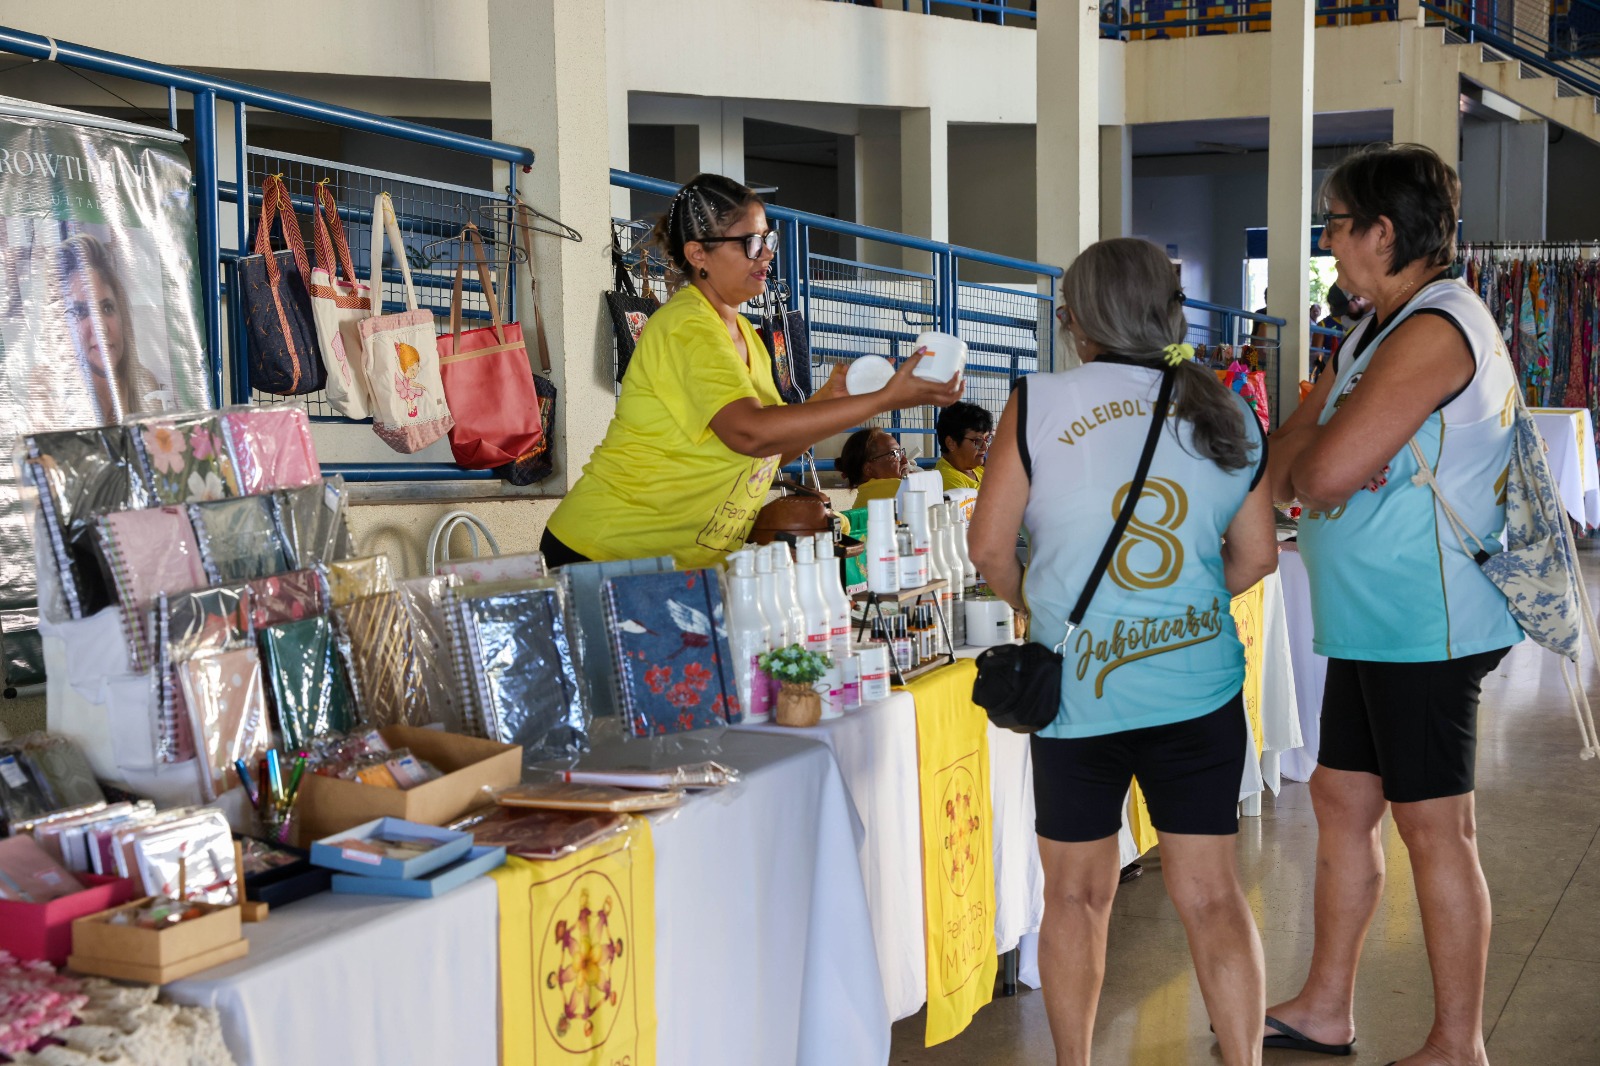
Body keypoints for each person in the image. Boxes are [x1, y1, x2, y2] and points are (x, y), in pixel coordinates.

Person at [968, 237, 1278, 1066]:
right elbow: (1258, 556)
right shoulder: (1228, 408)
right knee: (1212, 899)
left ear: (1075, 322)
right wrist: (1185, 608)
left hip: (1078, 698)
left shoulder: (1036, 403)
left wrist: (1042, 608)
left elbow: (990, 548)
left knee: (1074, 898)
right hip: (1198, 691)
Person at [1265, 143, 1521, 1066]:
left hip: (1426, 617)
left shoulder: (1436, 328)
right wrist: (1310, 462)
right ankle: (1327, 1005)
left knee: (1434, 826)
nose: (1328, 244)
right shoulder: (1375, 325)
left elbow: (1320, 467)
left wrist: (1312, 466)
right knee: (1341, 797)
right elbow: (1297, 441)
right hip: (1372, 616)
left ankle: (1459, 1043)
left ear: (1384, 231)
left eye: (1335, 225)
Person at [543, 174, 961, 568]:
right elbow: (749, 432)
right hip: (604, 553)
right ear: (698, 253)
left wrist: (827, 403)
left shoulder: (743, 330)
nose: (767, 254)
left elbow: (768, 451)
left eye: (768, 239)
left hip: (676, 564)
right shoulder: (687, 326)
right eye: (750, 242)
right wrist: (885, 400)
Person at [56, 233, 161, 420]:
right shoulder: (48, 392)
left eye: (107, 307)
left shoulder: (144, 384)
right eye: (80, 312)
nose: (100, 328)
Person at [837, 426, 911, 507]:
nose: (904, 460)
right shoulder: (900, 488)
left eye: (900, 453)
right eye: (894, 454)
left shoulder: (862, 499)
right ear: (869, 469)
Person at [934, 401, 992, 491]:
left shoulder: (978, 470)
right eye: (977, 440)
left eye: (987, 439)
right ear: (951, 443)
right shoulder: (948, 480)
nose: (985, 447)